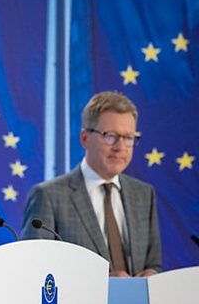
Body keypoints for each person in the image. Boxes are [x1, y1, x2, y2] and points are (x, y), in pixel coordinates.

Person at [21, 91, 161, 277]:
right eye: (110, 136)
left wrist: (151, 275)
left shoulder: (144, 194)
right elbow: (34, 271)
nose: (120, 147)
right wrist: (98, 282)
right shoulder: (48, 197)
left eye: (128, 138)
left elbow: (154, 264)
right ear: (85, 138)